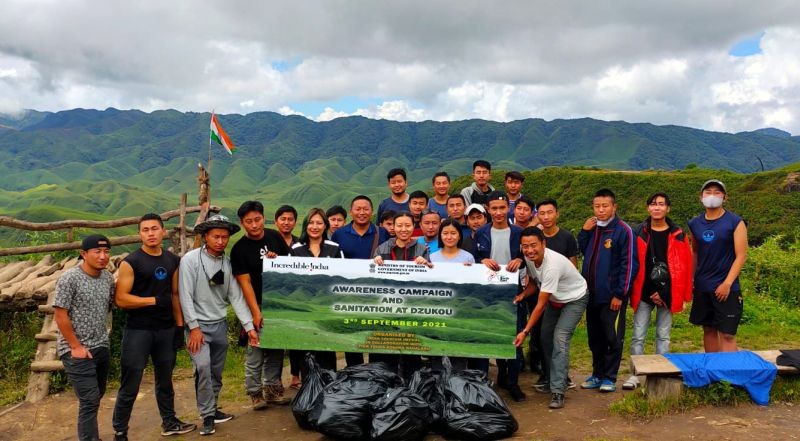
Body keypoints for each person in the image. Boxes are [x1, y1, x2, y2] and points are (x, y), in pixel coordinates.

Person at [112, 215, 195, 440]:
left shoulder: (172, 260)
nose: (150, 233)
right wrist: (153, 301)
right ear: (140, 234)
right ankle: (120, 431)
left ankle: (169, 422)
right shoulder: (131, 261)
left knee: (165, 380)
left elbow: (175, 294)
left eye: (154, 229)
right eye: (145, 230)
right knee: (130, 383)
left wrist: (179, 327)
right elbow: (121, 299)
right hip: (138, 331)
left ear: (163, 232)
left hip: (166, 330)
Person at [179, 214, 259, 436]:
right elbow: (185, 295)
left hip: (219, 324)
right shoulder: (190, 260)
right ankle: (206, 416)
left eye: (224, 237)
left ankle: (213, 408)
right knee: (203, 367)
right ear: (206, 236)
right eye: (216, 236)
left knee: (215, 371)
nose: (221, 241)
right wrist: (193, 328)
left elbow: (236, 296)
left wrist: (249, 327)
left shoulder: (227, 263)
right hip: (198, 327)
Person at [622, 192, 693, 390]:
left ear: (668, 208)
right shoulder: (639, 232)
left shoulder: (678, 234)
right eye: (653, 204)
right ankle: (635, 374)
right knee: (638, 334)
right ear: (648, 208)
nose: (657, 208)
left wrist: (681, 294)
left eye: (661, 204)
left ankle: (661, 371)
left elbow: (684, 266)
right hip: (644, 290)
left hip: (668, 292)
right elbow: (635, 264)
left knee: (663, 334)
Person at [513, 227, 589, 410]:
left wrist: (524, 331)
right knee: (545, 338)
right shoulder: (529, 259)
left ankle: (558, 390)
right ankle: (551, 378)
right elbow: (533, 282)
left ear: (543, 244)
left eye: (533, 245)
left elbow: (540, 306)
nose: (529, 250)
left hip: (574, 298)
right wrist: (523, 295)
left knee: (560, 339)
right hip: (556, 299)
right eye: (525, 246)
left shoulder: (552, 265)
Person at [231, 201, 291, 411]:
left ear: (263, 218)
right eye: (249, 222)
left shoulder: (275, 237)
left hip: (277, 304)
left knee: (275, 349)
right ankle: (255, 393)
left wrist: (276, 260)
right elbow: (244, 283)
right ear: (242, 223)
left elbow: (289, 264)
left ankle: (273, 391)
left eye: (257, 220)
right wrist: (256, 313)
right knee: (255, 350)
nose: (254, 225)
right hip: (254, 304)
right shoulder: (239, 249)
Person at [54, 234, 115, 441]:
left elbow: (108, 307)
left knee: (97, 395)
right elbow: (60, 314)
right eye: (97, 252)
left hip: (101, 345)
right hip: (76, 350)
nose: (102, 256)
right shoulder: (69, 278)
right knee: (90, 399)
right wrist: (75, 346)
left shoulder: (107, 278)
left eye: (106, 251)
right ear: (83, 254)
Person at [578, 189, 638, 393]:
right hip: (591, 294)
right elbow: (581, 250)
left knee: (611, 336)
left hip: (612, 296)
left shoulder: (623, 230)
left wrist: (620, 294)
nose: (601, 210)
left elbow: (629, 264)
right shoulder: (593, 227)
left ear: (614, 207)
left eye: (605, 206)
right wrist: (585, 231)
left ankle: (610, 377)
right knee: (594, 337)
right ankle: (597, 374)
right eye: (597, 206)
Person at [474, 191, 526, 402]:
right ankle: (486, 383)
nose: (498, 212)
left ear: (508, 209)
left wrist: (520, 259)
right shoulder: (481, 233)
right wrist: (483, 260)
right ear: (488, 209)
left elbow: (528, 254)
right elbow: (475, 258)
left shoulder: (519, 232)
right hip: (488, 293)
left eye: (502, 208)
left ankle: (512, 382)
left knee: (514, 337)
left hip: (514, 291)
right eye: (494, 208)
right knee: (488, 335)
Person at [688, 179, 748, 352]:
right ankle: (714, 372)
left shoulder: (735, 222)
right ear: (701, 197)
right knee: (708, 329)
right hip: (702, 286)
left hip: (726, 287)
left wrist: (727, 283)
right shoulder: (694, 224)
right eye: (708, 192)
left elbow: (741, 256)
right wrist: (692, 279)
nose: (712, 196)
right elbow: (695, 252)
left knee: (727, 334)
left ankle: (730, 375)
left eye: (717, 192)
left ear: (724, 197)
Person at [331, 195, 390, 366]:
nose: (362, 212)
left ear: (372, 211)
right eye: (358, 209)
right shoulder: (339, 235)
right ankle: (355, 373)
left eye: (366, 209)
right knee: (353, 337)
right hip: (350, 295)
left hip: (378, 295)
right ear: (351, 212)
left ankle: (376, 373)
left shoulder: (383, 233)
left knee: (376, 336)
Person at [373, 211, 431, 378]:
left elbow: (429, 279)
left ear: (414, 227)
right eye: (399, 225)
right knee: (388, 353)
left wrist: (426, 264)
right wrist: (374, 262)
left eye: (407, 225)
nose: (403, 229)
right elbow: (373, 279)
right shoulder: (382, 248)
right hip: (388, 307)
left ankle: (410, 390)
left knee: (412, 352)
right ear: (393, 227)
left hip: (412, 308)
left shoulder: (421, 248)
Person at [530, 198, 579, 391]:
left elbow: (573, 265)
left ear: (557, 214)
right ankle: (548, 374)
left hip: (564, 296)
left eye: (550, 212)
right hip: (544, 294)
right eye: (542, 213)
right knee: (543, 337)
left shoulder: (566, 237)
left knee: (560, 338)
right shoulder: (534, 239)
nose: (546, 217)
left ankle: (562, 378)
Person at [290, 208, 344, 371]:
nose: (315, 226)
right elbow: (290, 279)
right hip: (304, 309)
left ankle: (328, 389)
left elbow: (341, 277)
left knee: (327, 353)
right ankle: (308, 388)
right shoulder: (295, 249)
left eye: (319, 223)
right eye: (311, 223)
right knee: (306, 352)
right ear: (306, 225)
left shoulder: (334, 248)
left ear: (325, 226)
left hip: (326, 308)